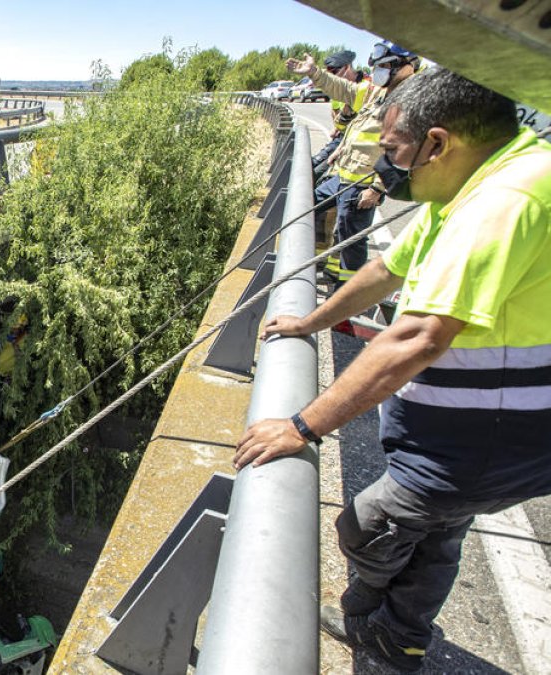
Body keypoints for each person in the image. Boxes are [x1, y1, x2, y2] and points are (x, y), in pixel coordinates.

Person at [233, 68, 551, 672]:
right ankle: (401, 638)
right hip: (478, 431)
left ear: (437, 142)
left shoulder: (505, 199)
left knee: (366, 525)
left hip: (485, 438)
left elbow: (418, 335)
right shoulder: (466, 184)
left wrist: (301, 427)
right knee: (436, 537)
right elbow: (386, 272)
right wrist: (313, 321)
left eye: (391, 147)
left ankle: (368, 617)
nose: (385, 161)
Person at [289, 42, 420, 286]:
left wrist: (377, 189)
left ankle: (345, 295)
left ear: (408, 66)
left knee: (351, 241)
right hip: (343, 174)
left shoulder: (411, 103)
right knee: (313, 207)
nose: (382, 71)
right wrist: (314, 73)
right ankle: (321, 266)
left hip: (363, 183)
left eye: (387, 66)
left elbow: (403, 151)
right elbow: (343, 89)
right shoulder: (376, 92)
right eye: (379, 66)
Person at [311, 50, 371, 174]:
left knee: (318, 173)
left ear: (347, 67)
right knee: (311, 165)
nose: (333, 76)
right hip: (342, 137)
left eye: (334, 72)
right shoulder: (338, 90)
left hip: (356, 146)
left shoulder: (366, 87)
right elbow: (336, 113)